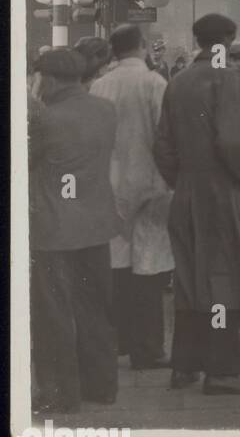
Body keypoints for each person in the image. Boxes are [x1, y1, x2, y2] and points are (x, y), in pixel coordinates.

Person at [153, 13, 240, 395]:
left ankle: (184, 366)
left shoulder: (178, 81)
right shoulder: (228, 78)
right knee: (224, 283)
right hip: (221, 194)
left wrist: (182, 181)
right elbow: (231, 143)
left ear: (197, 39)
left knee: (189, 281)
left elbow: (163, 146)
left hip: (186, 193)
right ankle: (222, 371)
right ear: (230, 39)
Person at [29, 48, 121, 412]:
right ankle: (101, 386)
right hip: (96, 225)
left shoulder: (45, 119)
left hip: (54, 229)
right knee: (95, 307)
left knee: (53, 313)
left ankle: (59, 394)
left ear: (48, 79)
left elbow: (25, 162)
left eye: (37, 78)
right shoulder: (105, 110)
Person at [91, 24, 174, 371]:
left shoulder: (100, 85)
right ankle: (147, 349)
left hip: (110, 186)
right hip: (151, 185)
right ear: (142, 46)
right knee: (150, 271)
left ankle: (119, 341)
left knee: (117, 266)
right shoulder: (155, 83)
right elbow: (165, 135)